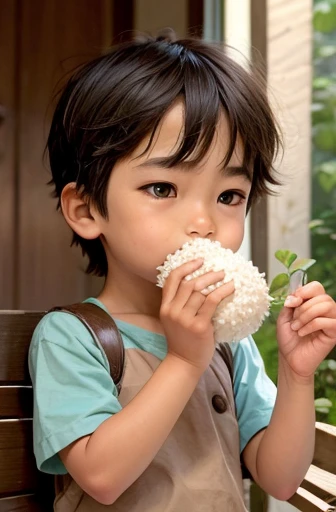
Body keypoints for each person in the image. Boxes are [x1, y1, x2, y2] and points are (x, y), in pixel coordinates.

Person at [29, 33, 336, 512]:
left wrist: (298, 376)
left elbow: (279, 478)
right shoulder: (74, 337)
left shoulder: (231, 343)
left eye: (228, 196)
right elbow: (102, 477)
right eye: (162, 187)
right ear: (87, 209)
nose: (203, 223)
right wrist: (185, 360)